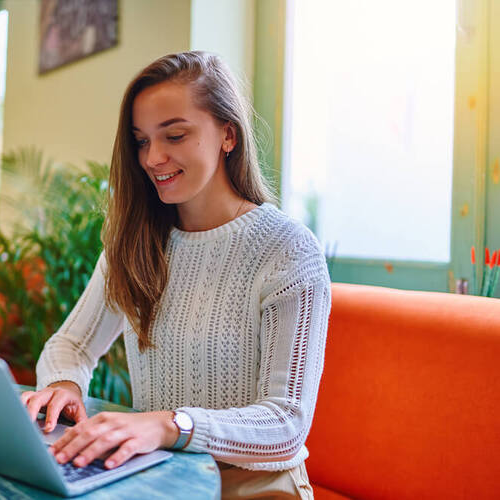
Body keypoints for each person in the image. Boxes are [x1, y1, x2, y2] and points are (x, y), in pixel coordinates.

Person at [21, 51, 330, 499]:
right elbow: (71, 344)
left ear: (228, 134)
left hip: (255, 487)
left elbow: (286, 423)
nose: (153, 158)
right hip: (159, 479)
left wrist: (171, 425)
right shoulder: (134, 241)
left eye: (175, 135)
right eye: (142, 141)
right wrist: (63, 384)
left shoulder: (287, 248)